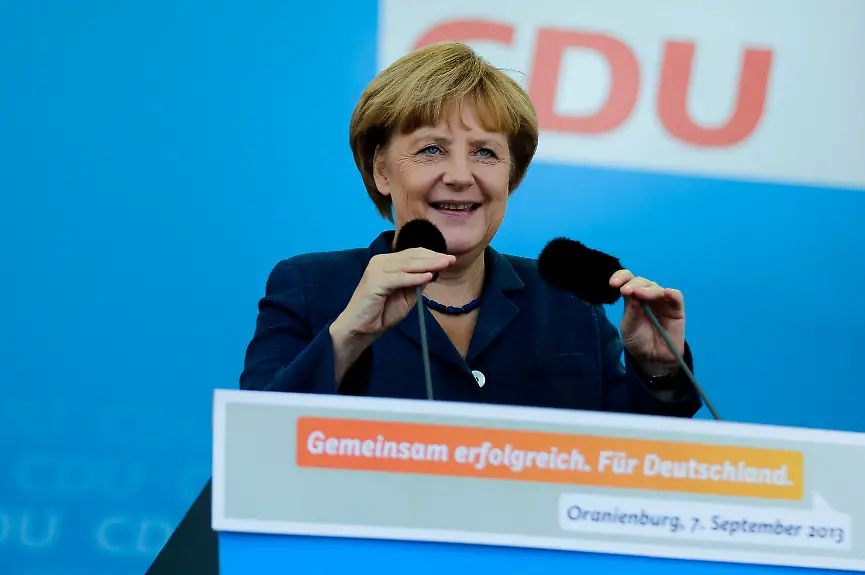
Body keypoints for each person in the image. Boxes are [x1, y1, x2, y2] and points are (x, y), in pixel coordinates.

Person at [239, 42, 702, 418]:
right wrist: (349, 335)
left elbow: (629, 467)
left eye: (485, 152)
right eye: (431, 150)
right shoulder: (312, 289)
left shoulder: (568, 304)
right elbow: (254, 444)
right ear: (382, 169)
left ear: (510, 175)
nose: (461, 176)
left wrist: (659, 369)